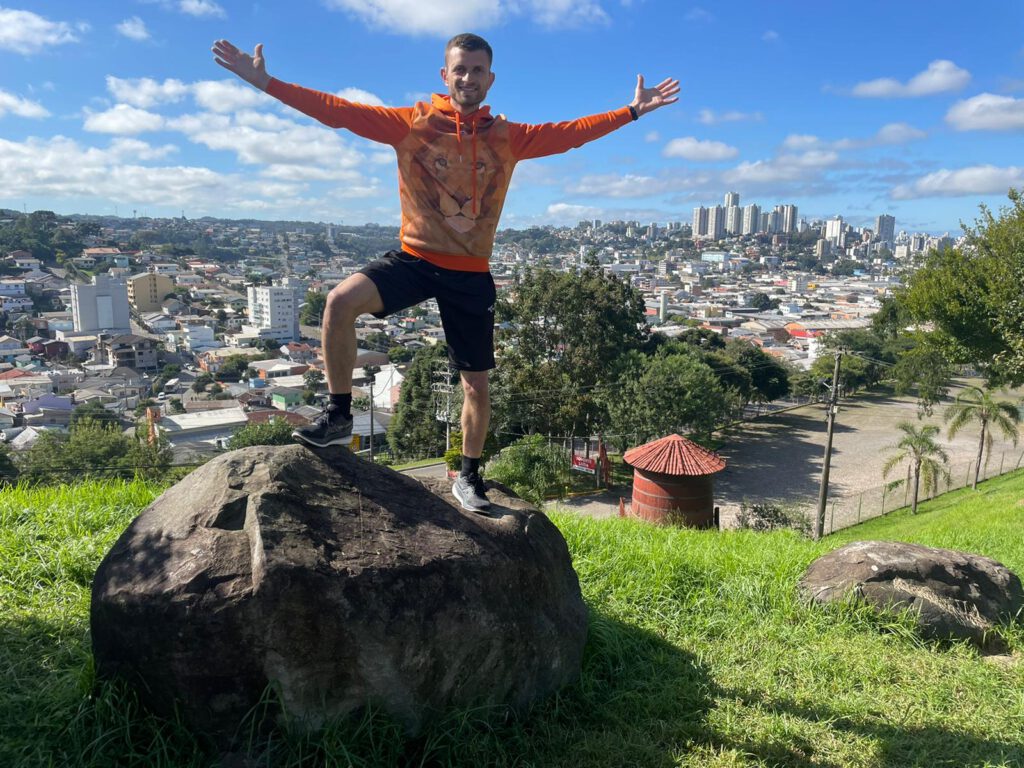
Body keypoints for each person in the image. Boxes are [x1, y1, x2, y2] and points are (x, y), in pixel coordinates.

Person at [212, 33, 679, 513]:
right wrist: (266, 82)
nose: (467, 78)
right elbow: (337, 111)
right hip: (415, 259)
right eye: (460, 69)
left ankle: (471, 475)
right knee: (338, 303)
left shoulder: (508, 136)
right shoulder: (411, 124)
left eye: (477, 70)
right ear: (445, 75)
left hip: (469, 273)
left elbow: (571, 132)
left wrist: (631, 111)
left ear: (490, 78)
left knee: (476, 383)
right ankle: (338, 415)